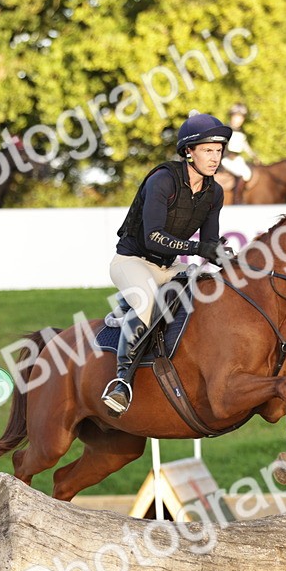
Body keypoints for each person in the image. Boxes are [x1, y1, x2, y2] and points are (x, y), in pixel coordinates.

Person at [101, 111, 233, 415]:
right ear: (189, 152)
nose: (215, 158)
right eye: (207, 150)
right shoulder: (162, 180)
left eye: (218, 150)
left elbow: (209, 244)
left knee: (207, 286)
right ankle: (121, 382)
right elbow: (153, 238)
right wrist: (198, 247)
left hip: (167, 269)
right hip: (131, 262)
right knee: (146, 301)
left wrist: (225, 257)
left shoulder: (214, 192)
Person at [220, 102, 255, 202]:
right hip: (226, 159)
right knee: (242, 174)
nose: (238, 120)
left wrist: (253, 156)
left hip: (237, 159)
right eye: (236, 117)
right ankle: (236, 199)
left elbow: (244, 145)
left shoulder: (241, 131)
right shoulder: (226, 130)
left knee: (248, 173)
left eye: (241, 118)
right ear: (231, 117)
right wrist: (227, 154)